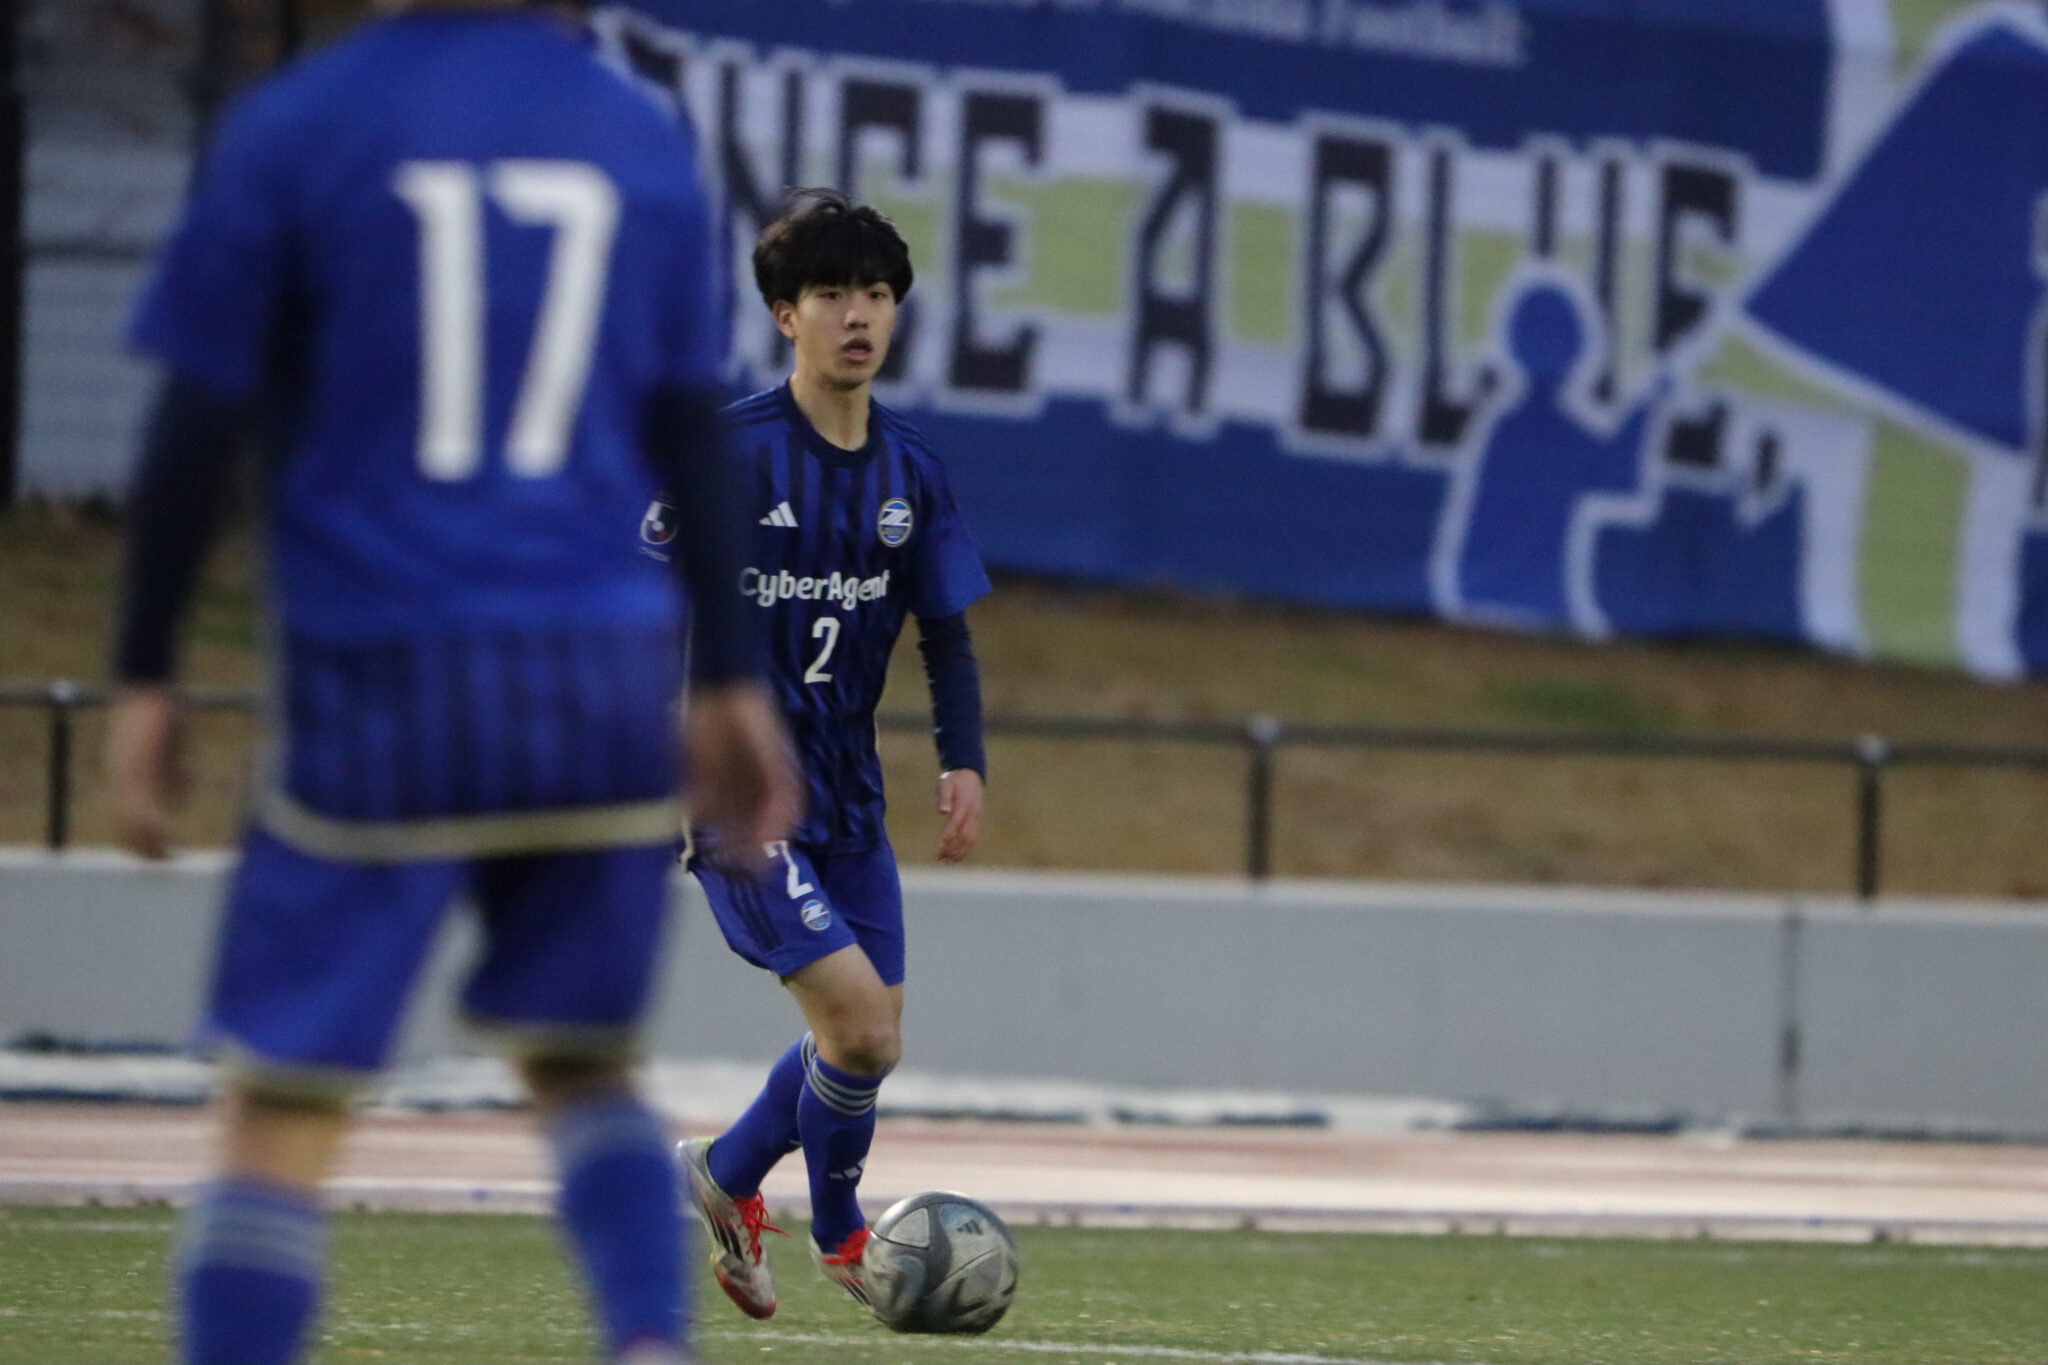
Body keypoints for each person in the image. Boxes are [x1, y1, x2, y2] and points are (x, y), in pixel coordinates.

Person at [102, 3, 799, 1363]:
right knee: (584, 1064)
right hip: (597, 686)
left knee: (282, 1110)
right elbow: (688, 430)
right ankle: (648, 1341)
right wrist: (727, 678)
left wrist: (142, 673)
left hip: (383, 681)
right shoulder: (636, 135)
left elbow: (197, 418)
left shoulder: (300, 126)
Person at [639, 190, 991, 1319]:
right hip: (741, 797)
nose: (858, 315)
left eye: (877, 294)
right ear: (785, 315)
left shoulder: (911, 473)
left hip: (848, 795)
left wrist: (964, 759)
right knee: (859, 1025)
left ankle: (727, 1172)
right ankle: (843, 1236)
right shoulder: (729, 454)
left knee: (865, 1043)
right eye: (831, 293)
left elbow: (945, 632)